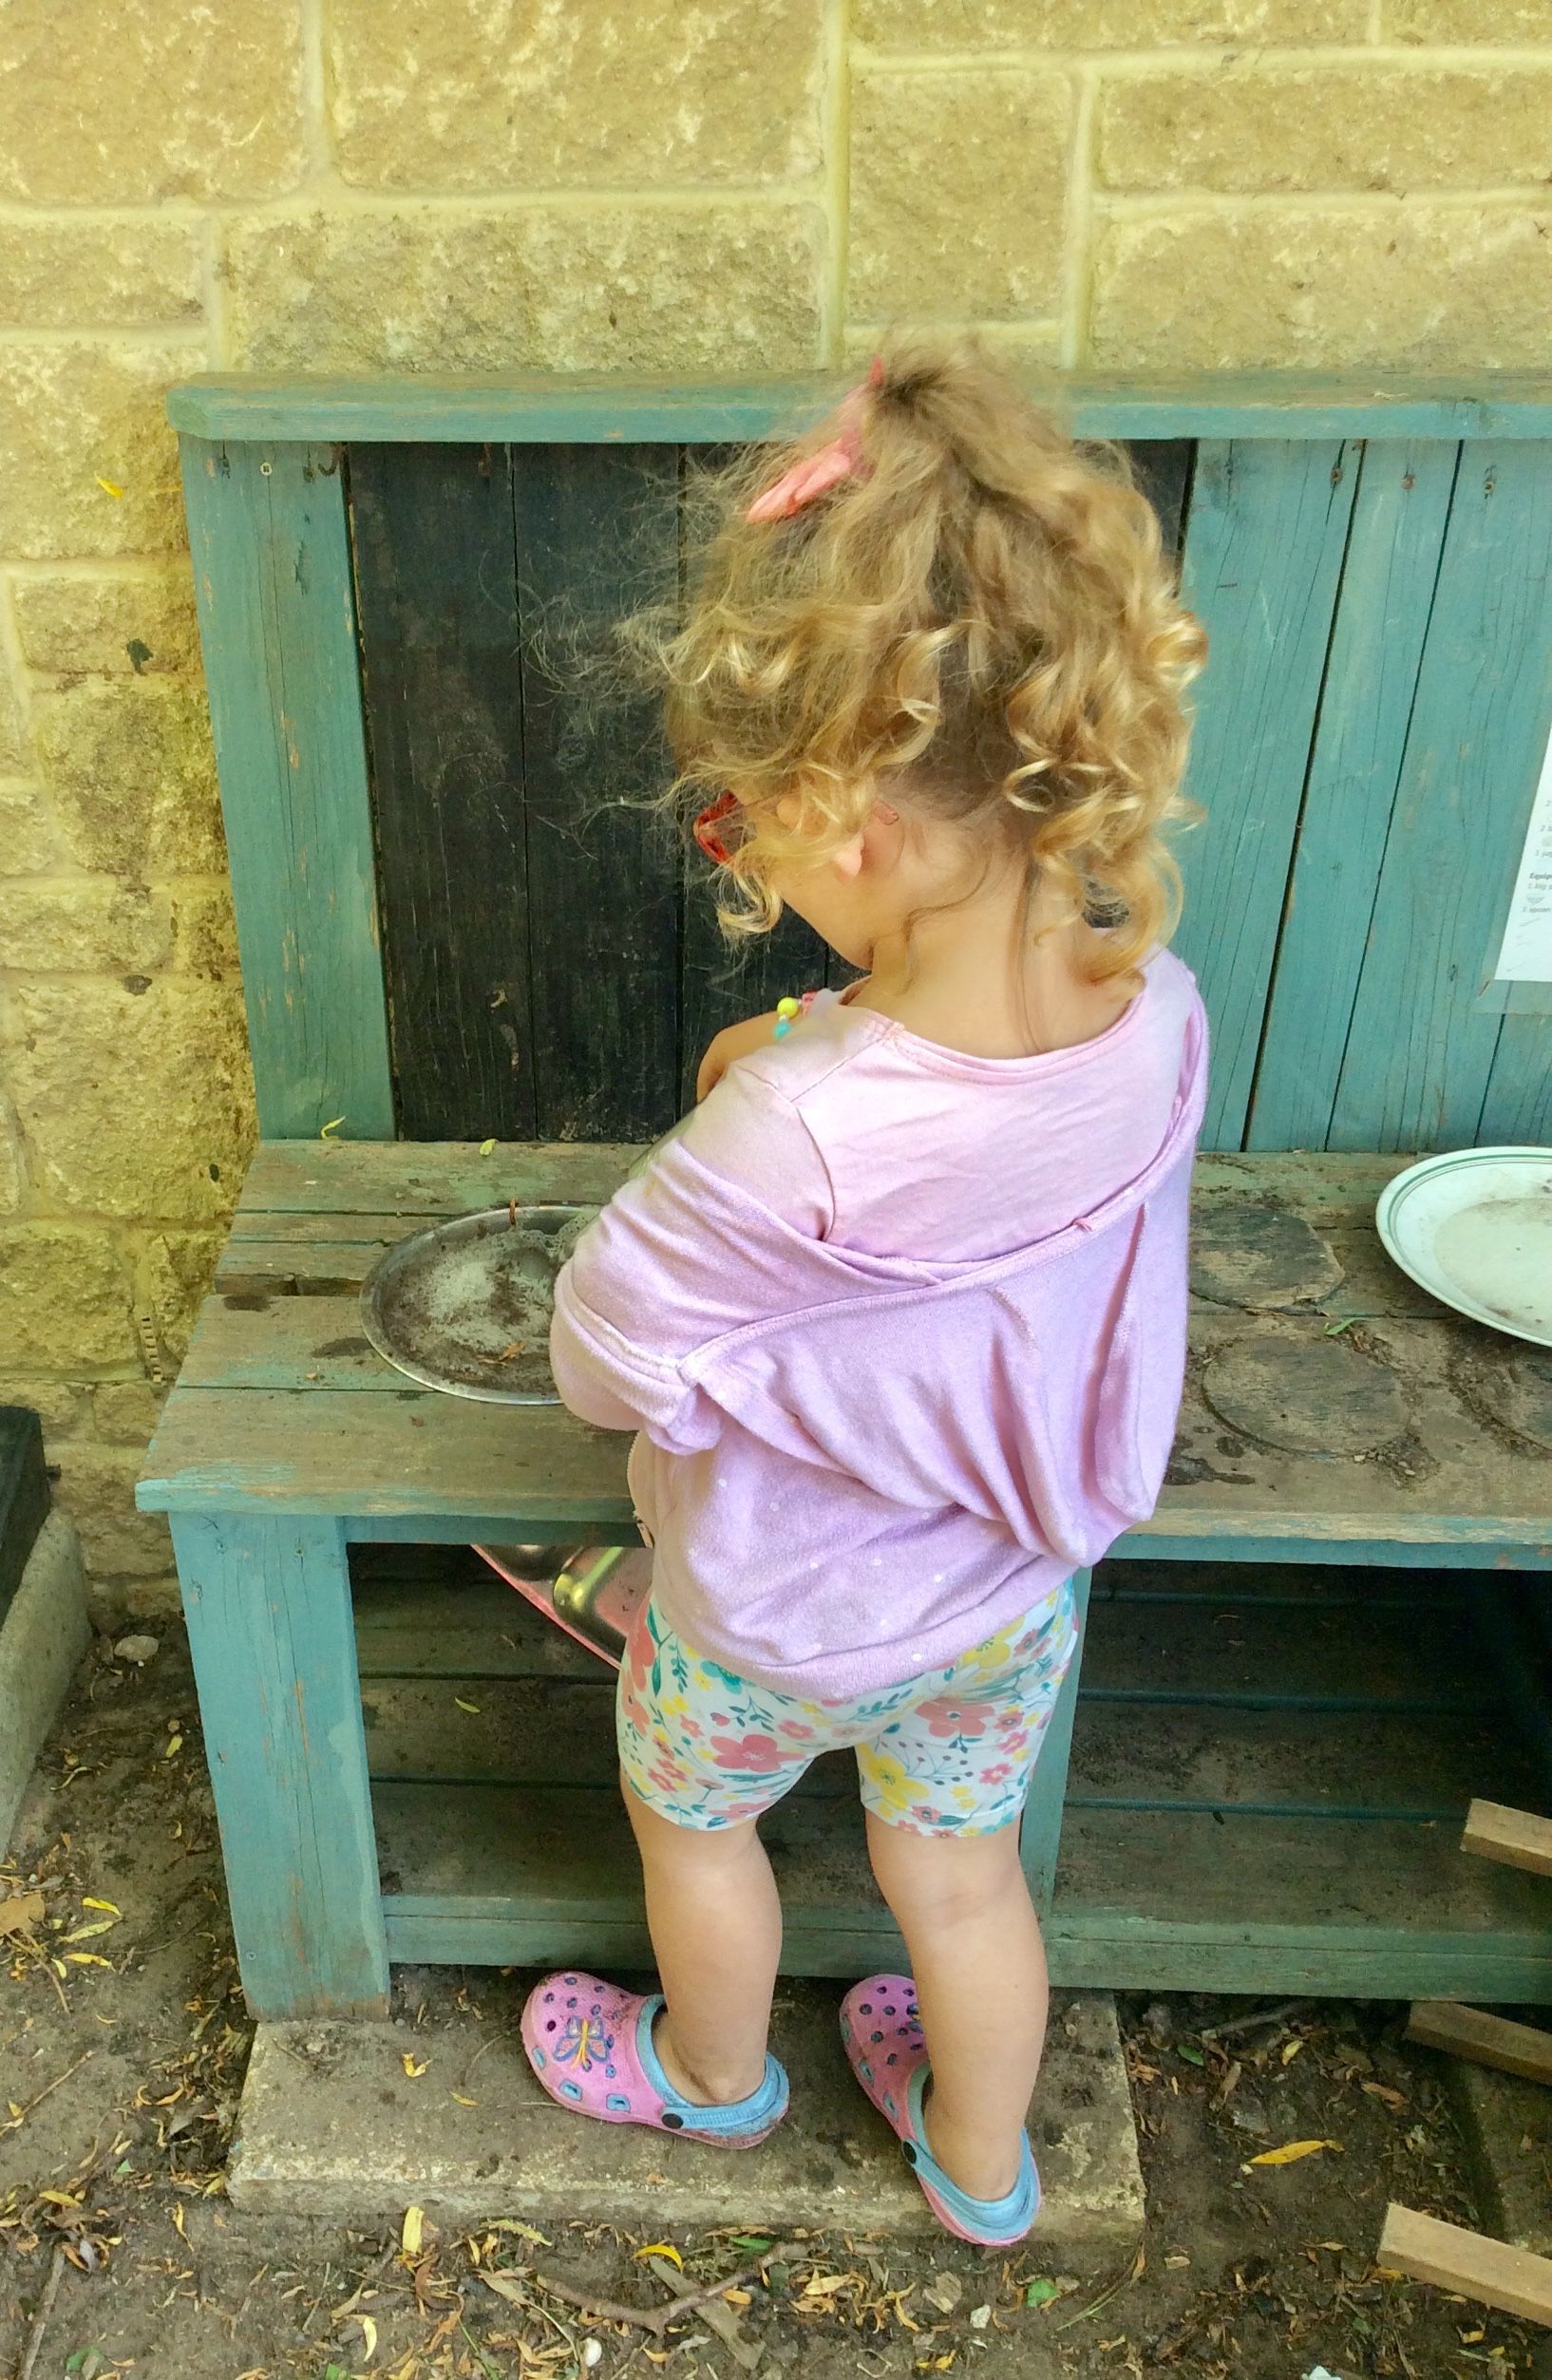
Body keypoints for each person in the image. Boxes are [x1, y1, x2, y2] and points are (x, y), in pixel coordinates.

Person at [520, 339, 1209, 2246]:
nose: (749, 858)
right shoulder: (1153, 1008)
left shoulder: (794, 1127)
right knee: (960, 1874)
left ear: (858, 822)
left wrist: (760, 1096)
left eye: (748, 825)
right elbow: (981, 1204)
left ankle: (709, 2073)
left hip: (772, 1614)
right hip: (1000, 1599)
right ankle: (983, 2168)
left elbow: (598, 1359)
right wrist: (819, 1034)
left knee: (694, 1820)